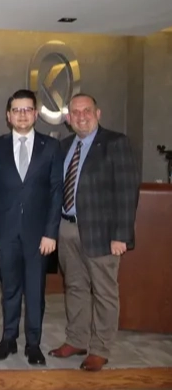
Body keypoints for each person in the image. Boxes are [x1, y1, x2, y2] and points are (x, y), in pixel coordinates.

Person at [49, 94, 140, 372]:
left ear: (97, 113)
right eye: (75, 112)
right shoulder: (64, 146)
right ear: (68, 119)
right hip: (67, 228)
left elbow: (127, 191)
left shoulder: (115, 143)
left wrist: (121, 235)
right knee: (75, 287)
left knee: (104, 291)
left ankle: (100, 348)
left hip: (102, 232)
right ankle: (76, 340)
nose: (81, 116)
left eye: (86, 111)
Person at [0, 89, 63, 366]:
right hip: (5, 233)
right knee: (10, 290)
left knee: (35, 291)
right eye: (16, 110)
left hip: (39, 235)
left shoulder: (51, 147)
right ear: (8, 116)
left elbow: (56, 193)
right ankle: (8, 339)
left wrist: (51, 232)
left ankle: (33, 344)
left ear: (36, 114)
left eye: (27, 109)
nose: (22, 115)